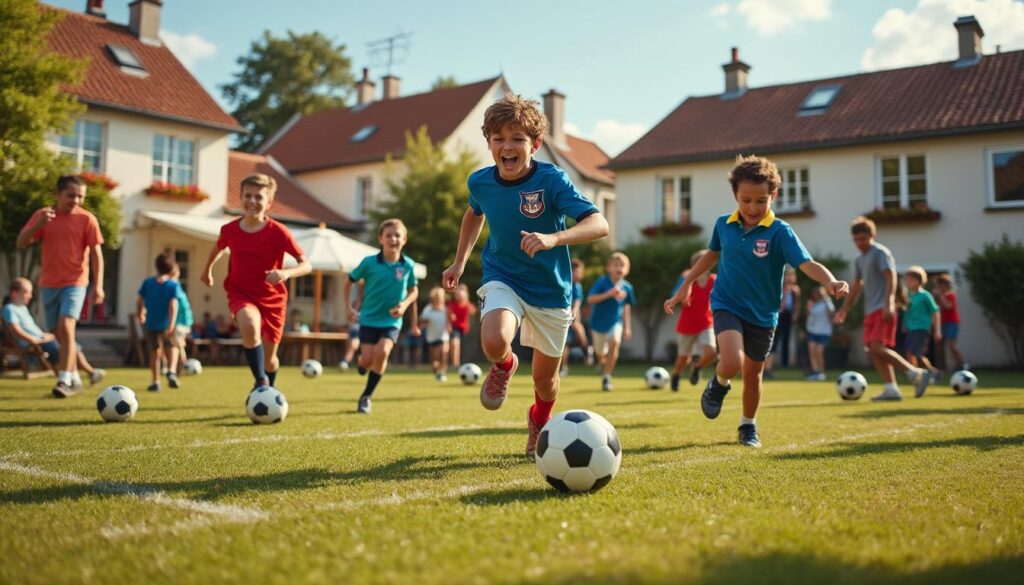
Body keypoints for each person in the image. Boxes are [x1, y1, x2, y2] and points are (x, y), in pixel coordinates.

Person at [442, 93, 609, 456]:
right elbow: (474, 214)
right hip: (504, 276)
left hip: (551, 291)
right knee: (493, 339)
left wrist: (554, 237)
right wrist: (459, 261)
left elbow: (599, 223)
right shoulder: (480, 182)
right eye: (498, 138)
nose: (507, 146)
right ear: (488, 143)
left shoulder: (553, 180)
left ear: (534, 144)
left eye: (517, 138)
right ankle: (504, 365)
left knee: (545, 382)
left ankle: (538, 421)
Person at [665, 155, 848, 448]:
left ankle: (748, 425)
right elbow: (711, 256)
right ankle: (720, 382)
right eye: (746, 200)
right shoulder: (723, 225)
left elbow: (806, 263)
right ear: (735, 194)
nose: (752, 208)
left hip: (763, 314)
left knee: (753, 374)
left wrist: (830, 281)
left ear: (773, 196)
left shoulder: (780, 232)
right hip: (727, 304)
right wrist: (685, 285)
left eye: (761, 201)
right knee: (733, 360)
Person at [202, 173, 311, 390]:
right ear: (240, 198)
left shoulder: (279, 232)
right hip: (240, 292)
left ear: (268, 203)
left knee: (270, 359)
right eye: (248, 196)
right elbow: (218, 248)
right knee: (249, 325)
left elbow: (306, 264)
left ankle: (268, 385)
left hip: (273, 299)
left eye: (259, 197)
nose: (252, 201)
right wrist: (207, 271)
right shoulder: (229, 230)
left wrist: (285, 273)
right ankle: (260, 381)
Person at [16, 175, 105, 398]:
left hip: (75, 282)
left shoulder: (87, 219)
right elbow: (21, 243)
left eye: (80, 196)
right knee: (59, 334)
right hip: (48, 284)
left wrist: (99, 286)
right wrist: (38, 225)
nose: (76, 200)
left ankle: (64, 379)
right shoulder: (43, 215)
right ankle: (74, 377)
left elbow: (96, 255)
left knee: (66, 325)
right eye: (71, 195)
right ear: (57, 194)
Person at [834, 216, 933, 401]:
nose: (859, 243)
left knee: (877, 347)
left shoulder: (880, 252)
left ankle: (914, 373)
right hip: (870, 310)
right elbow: (856, 285)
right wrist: (844, 309)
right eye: (856, 240)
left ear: (872, 235)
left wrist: (889, 302)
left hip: (883, 308)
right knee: (873, 350)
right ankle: (891, 389)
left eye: (863, 239)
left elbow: (890, 276)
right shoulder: (859, 260)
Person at [345, 218, 420, 414]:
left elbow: (414, 291)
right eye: (389, 235)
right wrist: (349, 309)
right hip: (368, 319)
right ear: (380, 239)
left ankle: (366, 396)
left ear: (404, 239)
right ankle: (362, 364)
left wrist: (403, 305)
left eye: (397, 235)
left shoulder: (408, 265)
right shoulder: (369, 263)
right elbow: (349, 282)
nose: (393, 239)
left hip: (392, 320)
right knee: (367, 359)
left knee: (383, 351)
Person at [2, 277, 105, 384]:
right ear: (14, 293)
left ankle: (86, 373)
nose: (30, 296)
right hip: (34, 343)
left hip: (41, 339)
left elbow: (31, 329)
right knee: (68, 346)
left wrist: (44, 335)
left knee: (70, 343)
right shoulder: (9, 309)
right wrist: (33, 339)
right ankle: (86, 373)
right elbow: (16, 330)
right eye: (26, 292)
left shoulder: (22, 308)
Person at [666, 249, 717, 391]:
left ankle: (697, 367)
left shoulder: (714, 280)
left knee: (711, 352)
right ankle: (676, 374)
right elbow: (675, 295)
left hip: (706, 323)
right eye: (699, 261)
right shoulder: (686, 279)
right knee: (683, 358)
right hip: (687, 324)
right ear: (694, 264)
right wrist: (681, 297)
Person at [588, 252, 635, 392]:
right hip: (597, 324)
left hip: (616, 322)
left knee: (615, 341)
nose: (619, 268)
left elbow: (626, 307)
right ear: (608, 268)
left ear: (627, 269)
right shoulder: (602, 282)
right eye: (616, 265)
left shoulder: (627, 287)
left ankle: (607, 376)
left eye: (622, 265)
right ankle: (602, 363)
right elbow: (590, 299)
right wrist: (609, 294)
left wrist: (627, 327)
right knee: (600, 354)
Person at [137, 253, 181, 391]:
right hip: (167, 324)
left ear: (156, 266)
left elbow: (139, 301)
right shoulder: (173, 285)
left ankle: (156, 381)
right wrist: (172, 324)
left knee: (155, 353)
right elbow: (173, 304)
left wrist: (140, 314)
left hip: (152, 324)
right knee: (173, 347)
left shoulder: (148, 282)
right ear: (171, 267)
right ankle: (171, 371)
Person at [902, 266, 942, 381]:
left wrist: (938, 330)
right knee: (912, 353)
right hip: (911, 328)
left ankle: (918, 374)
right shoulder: (907, 296)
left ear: (919, 282)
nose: (907, 283)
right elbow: (905, 311)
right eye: (906, 280)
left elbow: (935, 312)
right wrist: (904, 325)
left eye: (911, 280)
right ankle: (925, 373)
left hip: (921, 328)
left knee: (913, 353)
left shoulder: (925, 296)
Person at [560, 259, 594, 378]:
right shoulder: (563, 282)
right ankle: (562, 367)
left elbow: (577, 302)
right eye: (577, 272)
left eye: (581, 272)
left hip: (573, 316)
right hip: (561, 315)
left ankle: (587, 352)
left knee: (579, 331)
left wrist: (573, 313)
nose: (580, 275)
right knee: (564, 343)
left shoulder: (577, 286)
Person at [764, 268, 800, 378]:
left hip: (788, 316)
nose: (789, 278)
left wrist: (795, 315)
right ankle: (767, 367)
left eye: (791, 276)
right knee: (773, 342)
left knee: (786, 340)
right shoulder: (778, 287)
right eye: (787, 276)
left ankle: (784, 364)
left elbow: (797, 304)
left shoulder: (795, 290)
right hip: (778, 316)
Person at [933, 274, 967, 371]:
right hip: (942, 323)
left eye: (940, 285)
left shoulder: (950, 295)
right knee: (939, 345)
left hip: (952, 322)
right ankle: (940, 366)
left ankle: (962, 364)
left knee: (951, 345)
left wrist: (940, 295)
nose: (938, 287)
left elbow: (948, 306)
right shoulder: (939, 296)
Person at [420, 286, 451, 382]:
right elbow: (422, 321)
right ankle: (436, 369)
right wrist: (424, 323)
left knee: (444, 352)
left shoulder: (445, 309)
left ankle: (442, 372)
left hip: (443, 335)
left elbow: (449, 319)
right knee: (435, 357)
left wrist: (449, 325)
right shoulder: (428, 309)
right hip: (432, 337)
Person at [804, 285, 834, 381]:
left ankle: (822, 372)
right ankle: (815, 371)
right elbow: (808, 315)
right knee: (812, 349)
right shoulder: (812, 303)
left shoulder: (827, 303)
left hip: (824, 331)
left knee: (819, 351)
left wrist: (827, 300)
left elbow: (831, 314)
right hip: (812, 330)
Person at [169, 265, 194, 374]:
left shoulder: (173, 287)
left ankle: (181, 367)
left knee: (177, 345)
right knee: (179, 345)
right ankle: (180, 368)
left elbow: (177, 307)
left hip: (179, 323)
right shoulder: (178, 287)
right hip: (185, 323)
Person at [447, 283, 476, 368]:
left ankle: (462, 363)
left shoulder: (468, 305)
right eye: (457, 293)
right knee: (455, 344)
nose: (458, 295)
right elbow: (449, 317)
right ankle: (455, 364)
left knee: (463, 348)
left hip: (465, 329)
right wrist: (450, 320)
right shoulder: (451, 305)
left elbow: (473, 313)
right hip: (455, 328)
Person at [338, 283, 361, 371]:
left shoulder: (372, 302)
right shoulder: (355, 303)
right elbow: (349, 317)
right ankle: (345, 361)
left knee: (354, 343)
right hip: (356, 329)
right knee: (352, 343)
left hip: (367, 327)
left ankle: (345, 361)